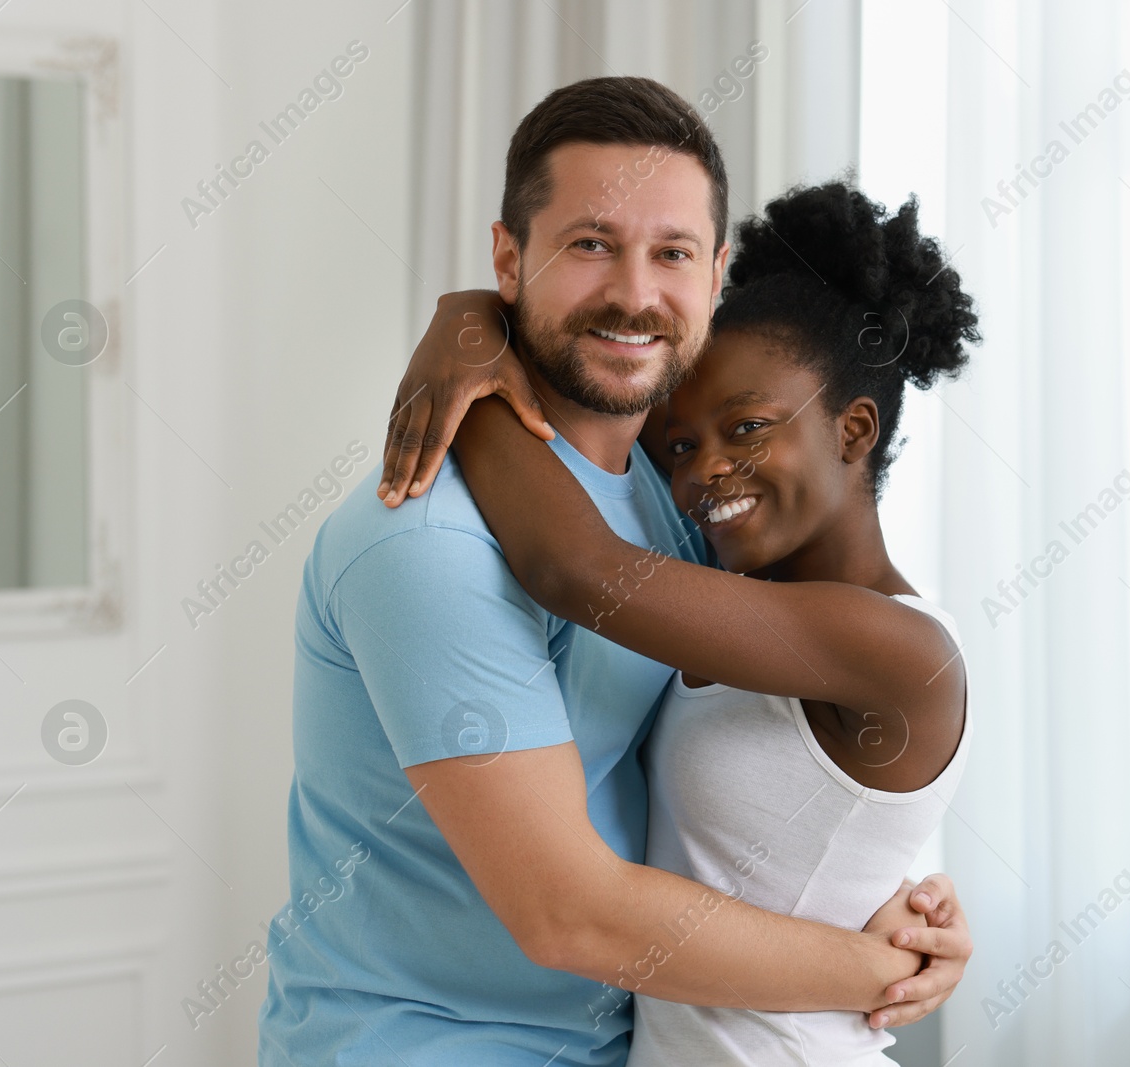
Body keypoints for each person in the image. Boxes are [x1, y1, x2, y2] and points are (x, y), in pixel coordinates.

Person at [257, 76, 969, 1067]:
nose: (634, 292)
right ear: (508, 257)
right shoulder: (425, 546)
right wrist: (872, 965)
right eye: (589, 243)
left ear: (714, 274)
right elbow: (568, 915)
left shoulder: (680, 513)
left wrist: (905, 887)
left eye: (670, 252)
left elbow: (818, 768)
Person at [440, 178, 979, 1064]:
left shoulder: (903, 648)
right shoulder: (734, 600)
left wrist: (469, 348)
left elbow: (577, 568)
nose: (706, 474)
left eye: (749, 427)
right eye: (681, 446)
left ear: (852, 431)